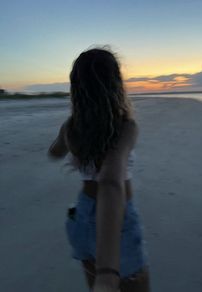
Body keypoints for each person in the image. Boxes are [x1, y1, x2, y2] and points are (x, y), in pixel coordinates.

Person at [47, 46, 151, 292]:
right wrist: (108, 270)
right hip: (116, 217)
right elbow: (110, 182)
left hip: (81, 214)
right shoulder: (126, 128)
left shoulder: (71, 127)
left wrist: (66, 136)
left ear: (76, 88)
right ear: (116, 85)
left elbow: (54, 152)